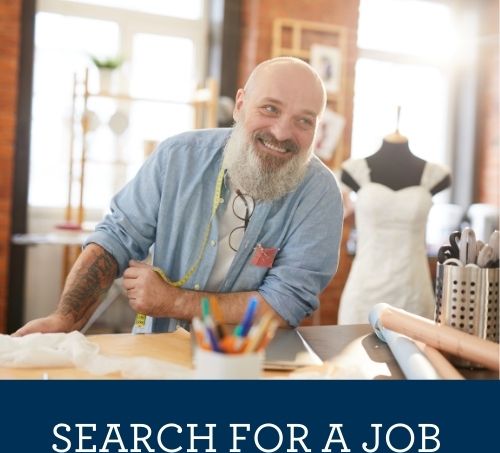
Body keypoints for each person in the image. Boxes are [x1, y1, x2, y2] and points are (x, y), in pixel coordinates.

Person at [15, 57, 343, 336]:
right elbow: (117, 237)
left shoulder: (320, 194)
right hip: (156, 356)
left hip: (251, 365)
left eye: (304, 120)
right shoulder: (178, 157)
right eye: (270, 108)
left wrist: (173, 301)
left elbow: (286, 302)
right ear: (240, 105)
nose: (283, 132)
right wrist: (65, 318)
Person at [338, 131, 451, 324]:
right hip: (364, 289)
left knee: (416, 351)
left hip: (413, 288)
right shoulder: (354, 171)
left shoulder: (435, 175)